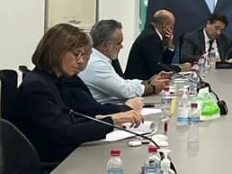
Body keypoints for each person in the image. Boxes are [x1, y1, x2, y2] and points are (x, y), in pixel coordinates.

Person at [11, 24, 143, 165]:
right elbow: (64, 133)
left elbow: (72, 119)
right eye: (76, 54)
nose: (80, 61)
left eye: (83, 55)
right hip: (52, 164)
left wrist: (109, 119)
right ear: (57, 52)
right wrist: (112, 120)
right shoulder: (37, 87)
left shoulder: (55, 80)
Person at [80, 19, 170, 103]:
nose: (121, 47)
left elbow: (122, 82)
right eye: (118, 43)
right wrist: (152, 87)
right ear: (105, 46)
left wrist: (148, 82)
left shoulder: (100, 59)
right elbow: (124, 90)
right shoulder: (96, 64)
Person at [126, 9, 183, 80]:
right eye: (171, 27)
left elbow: (163, 63)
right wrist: (180, 68)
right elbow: (158, 68)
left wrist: (169, 45)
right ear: (165, 26)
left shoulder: (152, 33)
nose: (172, 30)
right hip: (138, 82)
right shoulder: (151, 37)